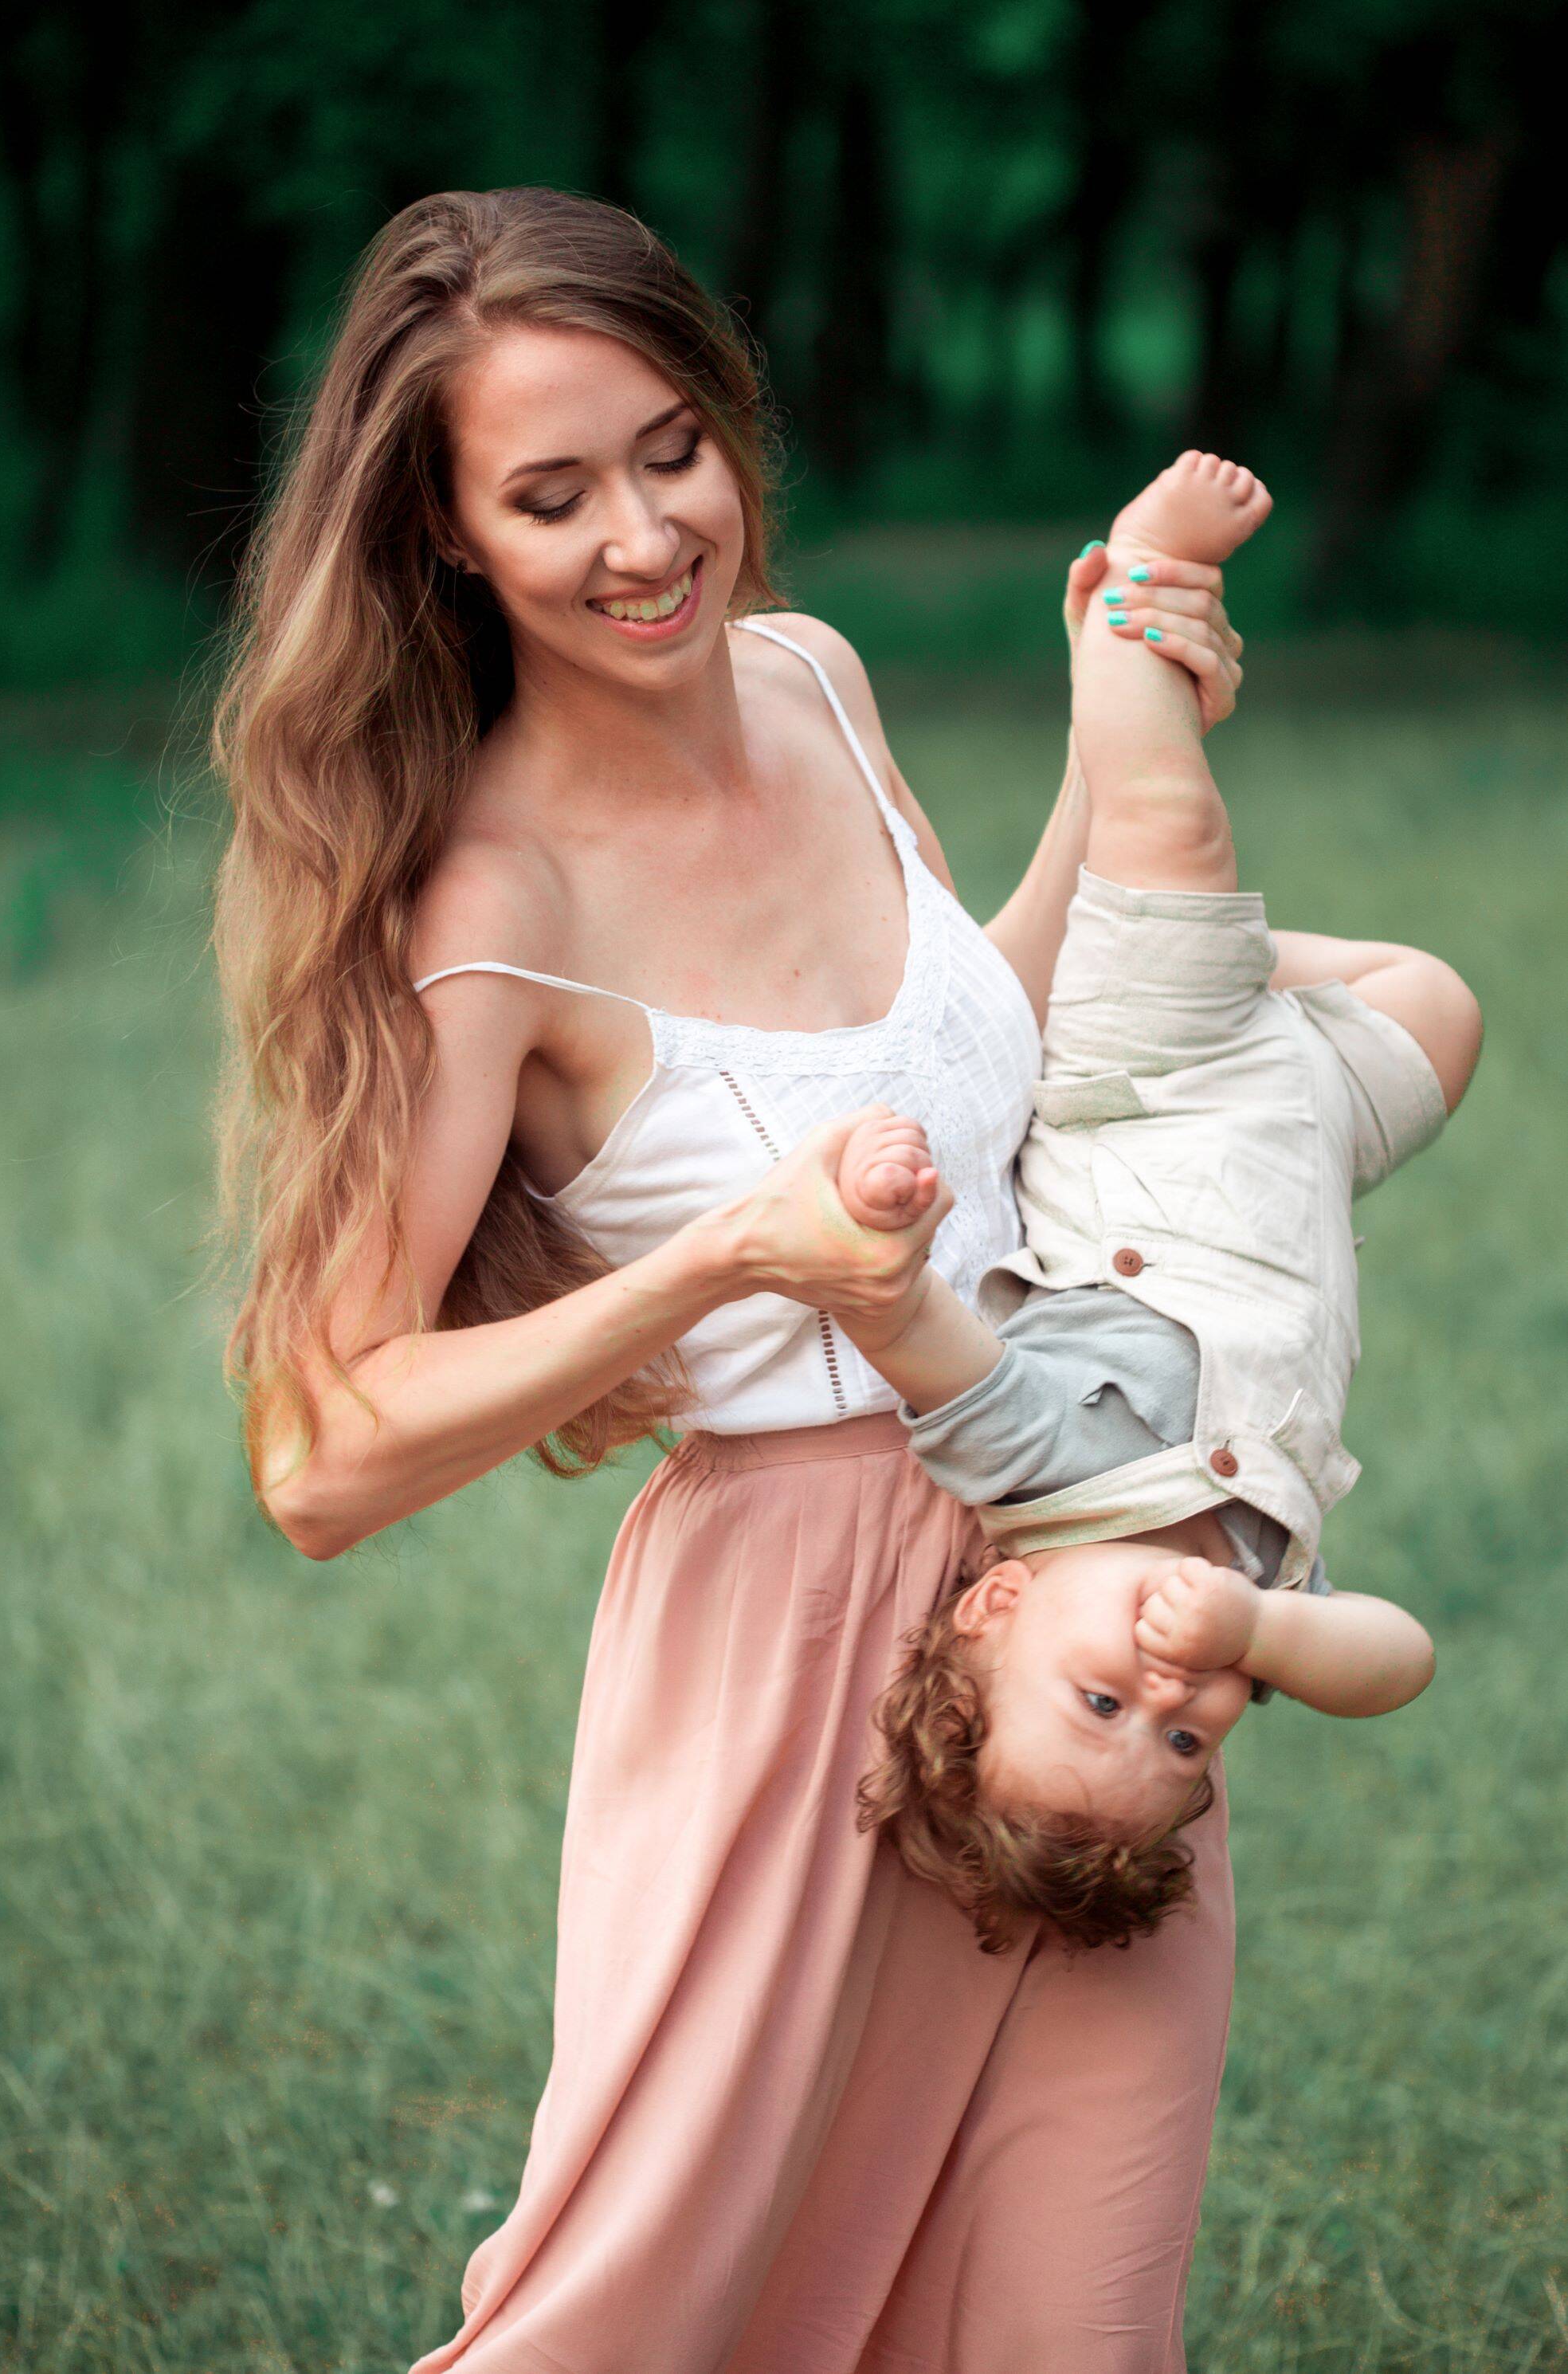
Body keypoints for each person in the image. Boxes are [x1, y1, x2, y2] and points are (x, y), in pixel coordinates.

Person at [212, 187, 1254, 2373]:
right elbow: (319, 1451)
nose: (643, 535)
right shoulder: (490, 906)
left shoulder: (809, 672)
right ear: (446, 539)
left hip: (1067, 1578)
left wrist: (1124, 723)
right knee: (666, 2307)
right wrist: (727, 1255)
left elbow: (986, 1057)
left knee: (1077, 2303)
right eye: (549, 492)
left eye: (670, 446)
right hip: (780, 1649)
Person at [824, 452, 1483, 1954]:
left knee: (1169, 837)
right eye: (1185, 1743)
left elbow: (922, 1337)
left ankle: (1134, 594)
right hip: (1287, 1138)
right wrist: (1260, 1632)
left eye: (1103, 1701)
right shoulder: (1260, 1580)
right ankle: (1173, 940)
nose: (1169, 1694)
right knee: (1433, 1007)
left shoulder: (1047, 1481)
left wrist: (871, 1235)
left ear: (996, 1614)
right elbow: (1401, 1661)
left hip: (1153, 1091)